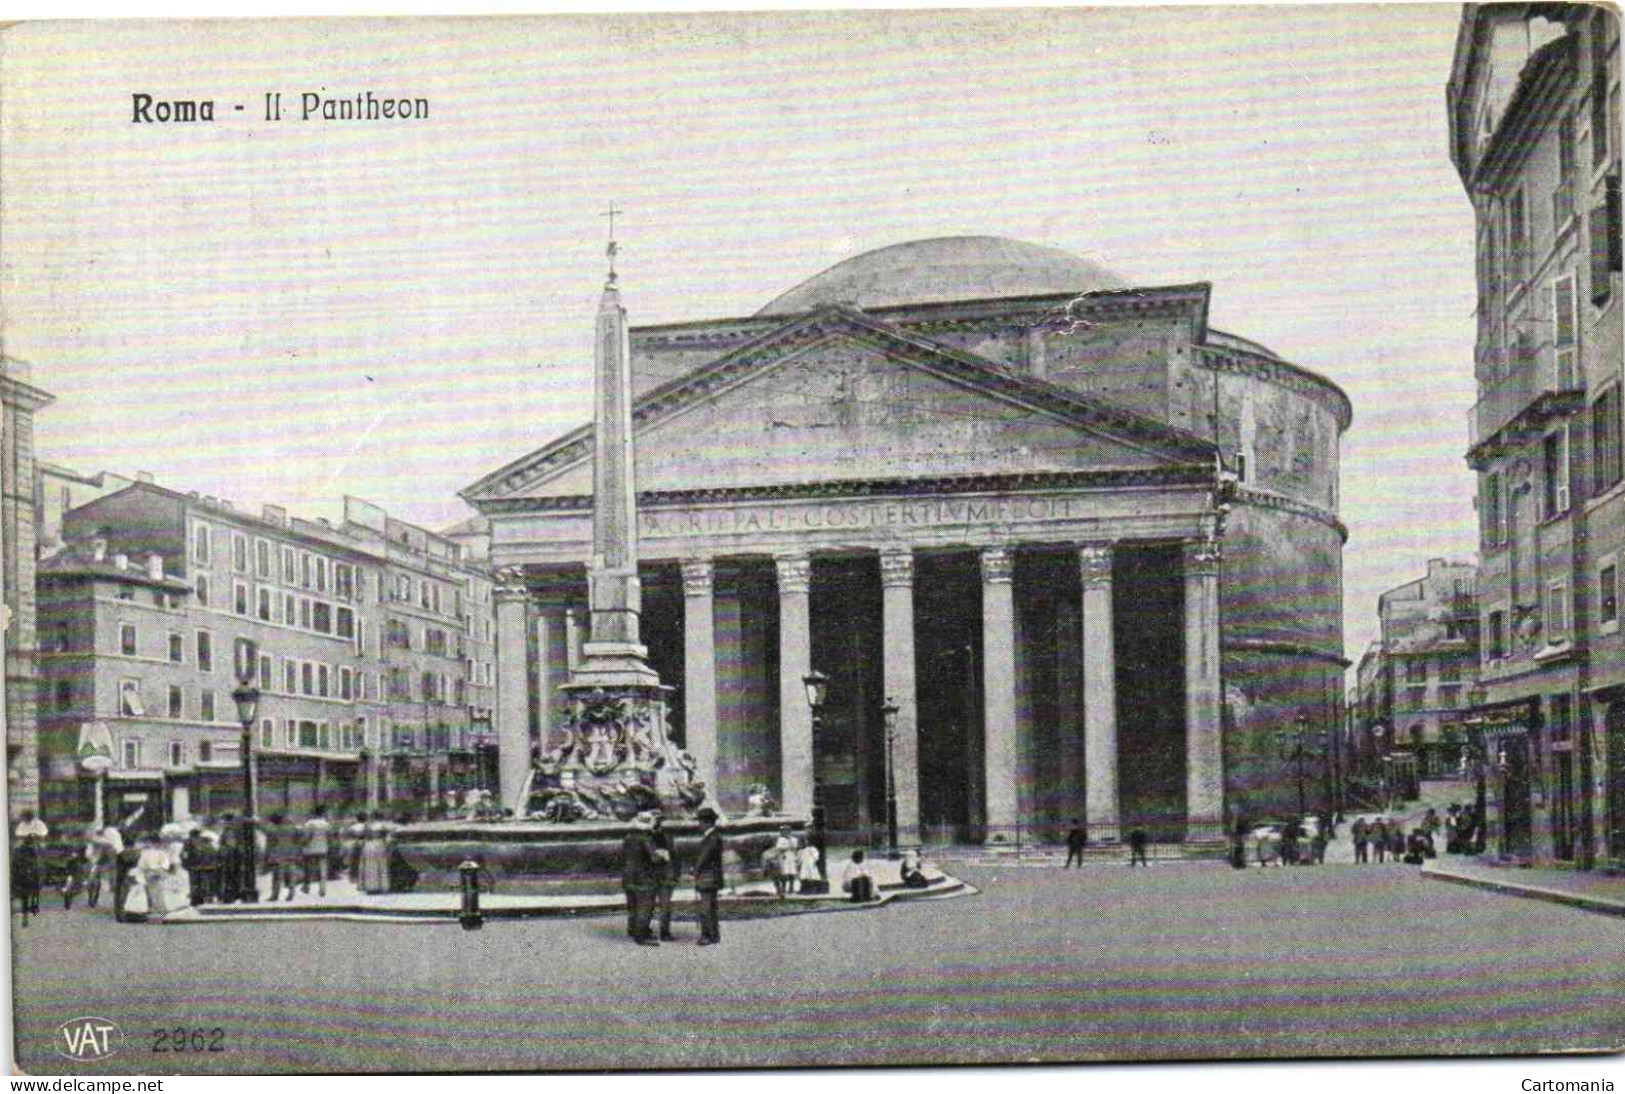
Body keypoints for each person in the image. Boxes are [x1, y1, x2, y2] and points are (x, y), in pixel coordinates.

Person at [621, 811, 662, 945]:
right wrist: (663, 856)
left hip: (628, 875)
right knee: (645, 905)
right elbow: (654, 858)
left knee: (632, 904)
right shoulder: (646, 838)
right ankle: (642, 935)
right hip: (644, 876)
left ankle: (632, 928)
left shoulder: (628, 837)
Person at [692, 807, 724, 946]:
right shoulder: (713, 836)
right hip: (711, 876)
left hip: (708, 877)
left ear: (707, 822)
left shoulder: (712, 837)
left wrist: (695, 870)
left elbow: (705, 857)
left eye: (700, 821)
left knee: (706, 908)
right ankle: (713, 935)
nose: (698, 825)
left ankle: (708, 936)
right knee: (710, 907)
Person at [649, 813, 677, 942]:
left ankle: (664, 932)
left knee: (664, 906)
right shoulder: (646, 837)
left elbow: (674, 855)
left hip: (664, 875)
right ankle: (647, 931)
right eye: (656, 820)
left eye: (659, 820)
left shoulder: (667, 836)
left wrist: (675, 874)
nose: (658, 823)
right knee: (651, 906)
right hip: (654, 875)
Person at [263, 813, 296, 902]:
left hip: (278, 857)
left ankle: (275, 895)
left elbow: (268, 843)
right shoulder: (289, 829)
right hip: (290, 855)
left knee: (277, 877)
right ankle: (291, 893)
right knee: (290, 875)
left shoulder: (272, 831)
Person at [11, 828, 42, 923]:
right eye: (30, 840)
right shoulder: (24, 850)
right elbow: (16, 863)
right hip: (25, 874)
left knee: (33, 891)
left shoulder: (32, 849)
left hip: (29, 873)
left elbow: (36, 862)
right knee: (29, 893)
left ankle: (33, 906)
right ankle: (31, 908)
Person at [181, 827, 218, 906]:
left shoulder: (189, 842)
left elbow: (184, 854)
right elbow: (213, 852)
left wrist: (185, 864)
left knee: (195, 883)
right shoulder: (206, 841)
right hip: (208, 866)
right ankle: (208, 897)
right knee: (207, 882)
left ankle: (196, 900)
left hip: (195, 866)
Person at [301, 805, 332, 897]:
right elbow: (329, 837)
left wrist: (303, 844)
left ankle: (306, 887)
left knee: (308, 869)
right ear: (322, 813)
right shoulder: (326, 824)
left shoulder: (308, 824)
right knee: (322, 869)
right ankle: (322, 889)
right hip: (323, 848)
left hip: (309, 849)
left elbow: (306, 837)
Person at [359, 815, 392, 895]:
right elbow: (388, 837)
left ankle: (371, 887)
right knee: (381, 865)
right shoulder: (383, 826)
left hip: (369, 845)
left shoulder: (367, 826)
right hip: (379, 845)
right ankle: (382, 886)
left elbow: (363, 837)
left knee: (370, 867)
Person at [771, 825, 797, 899]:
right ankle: (784, 888)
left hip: (791, 857)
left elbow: (794, 847)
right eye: (783, 831)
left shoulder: (794, 839)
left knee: (792, 873)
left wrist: (788, 845)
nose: (785, 832)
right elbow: (779, 848)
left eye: (787, 831)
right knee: (784, 873)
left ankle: (791, 888)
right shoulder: (780, 840)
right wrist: (787, 847)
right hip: (783, 857)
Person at [344, 812, 368, 880]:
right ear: (365, 819)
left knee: (354, 861)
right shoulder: (367, 826)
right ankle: (363, 877)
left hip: (354, 844)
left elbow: (347, 835)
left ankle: (353, 877)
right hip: (364, 844)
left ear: (357, 818)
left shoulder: (353, 827)